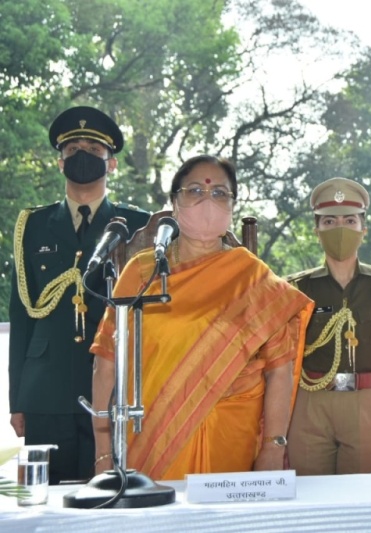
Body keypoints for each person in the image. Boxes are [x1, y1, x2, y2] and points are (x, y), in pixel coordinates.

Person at [91, 155, 314, 480]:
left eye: (219, 193)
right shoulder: (141, 272)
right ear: (175, 202)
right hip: (151, 439)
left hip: (231, 439)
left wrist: (273, 448)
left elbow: (279, 370)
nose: (207, 201)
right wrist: (102, 454)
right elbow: (107, 362)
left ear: (232, 206)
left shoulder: (254, 278)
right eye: (195, 190)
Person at [8, 106, 150, 484]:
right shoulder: (33, 226)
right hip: (45, 391)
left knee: (111, 497)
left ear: (112, 163)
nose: (81, 156)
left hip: (116, 391)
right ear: (59, 163)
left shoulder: (137, 226)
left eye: (92, 149)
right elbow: (22, 316)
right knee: (49, 501)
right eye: (72, 150)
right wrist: (17, 400)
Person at [286, 177, 371, 475]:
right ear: (317, 231)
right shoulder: (296, 289)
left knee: (363, 502)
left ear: (363, 229)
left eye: (349, 220)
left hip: (366, 403)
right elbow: (283, 363)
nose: (340, 228)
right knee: (310, 497)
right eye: (329, 221)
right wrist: (276, 434)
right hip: (309, 404)